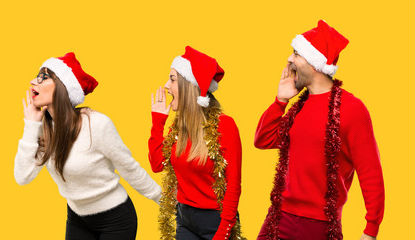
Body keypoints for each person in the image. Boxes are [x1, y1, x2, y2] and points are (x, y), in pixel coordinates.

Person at [254, 20, 385, 240]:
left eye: (296, 53)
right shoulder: (298, 107)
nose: (289, 59)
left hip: (320, 226)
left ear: (314, 63)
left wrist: (370, 229)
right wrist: (280, 101)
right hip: (278, 217)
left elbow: (371, 173)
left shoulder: (352, 109)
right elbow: (263, 140)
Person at [14, 52, 161, 240]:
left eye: (43, 77)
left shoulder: (96, 124)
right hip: (77, 218)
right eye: (36, 76)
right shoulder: (44, 129)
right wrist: (31, 125)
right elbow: (23, 177)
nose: (33, 82)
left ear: (62, 86)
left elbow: (129, 168)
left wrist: (164, 200)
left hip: (116, 219)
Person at [148, 46, 245, 240]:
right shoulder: (178, 128)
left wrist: (224, 231)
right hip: (185, 219)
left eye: (172, 79)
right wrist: (158, 121)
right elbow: (157, 164)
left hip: (215, 221)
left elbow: (233, 185)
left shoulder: (224, 126)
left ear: (189, 85)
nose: (166, 86)